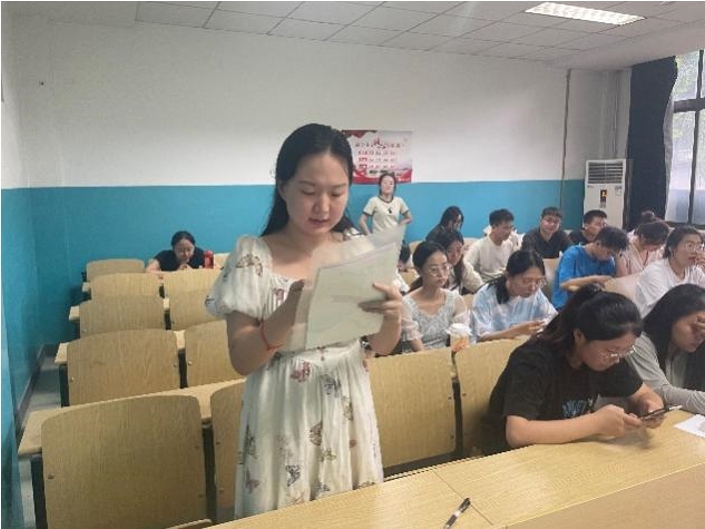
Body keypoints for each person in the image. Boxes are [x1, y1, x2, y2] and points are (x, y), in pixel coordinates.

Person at [205, 124, 403, 518]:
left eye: (337, 193)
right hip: (281, 411)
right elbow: (242, 359)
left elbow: (380, 346)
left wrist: (393, 317)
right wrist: (289, 309)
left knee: (351, 515)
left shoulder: (358, 250)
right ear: (282, 187)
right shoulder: (253, 256)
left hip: (347, 405)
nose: (323, 206)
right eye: (309, 191)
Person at [480, 285, 665, 456]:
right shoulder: (533, 360)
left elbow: (644, 394)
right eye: (612, 350)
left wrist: (651, 407)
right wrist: (596, 423)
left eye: (626, 350)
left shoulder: (606, 359)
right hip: (507, 459)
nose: (617, 358)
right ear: (579, 335)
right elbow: (517, 433)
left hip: (563, 451)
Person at [627, 284, 705, 414]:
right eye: (695, 327)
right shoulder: (637, 343)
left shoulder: (690, 348)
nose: (701, 335)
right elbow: (660, 392)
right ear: (671, 317)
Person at [471, 250, 557, 342]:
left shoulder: (535, 293)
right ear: (508, 276)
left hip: (524, 347)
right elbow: (481, 338)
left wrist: (542, 325)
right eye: (526, 281)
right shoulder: (485, 296)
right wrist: (515, 332)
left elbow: (553, 318)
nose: (533, 288)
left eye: (538, 281)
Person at [401, 241, 469, 351]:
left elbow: (461, 342)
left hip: (446, 356)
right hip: (416, 358)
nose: (441, 274)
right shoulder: (406, 304)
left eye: (445, 267)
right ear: (419, 270)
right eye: (434, 269)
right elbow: (419, 351)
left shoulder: (455, 300)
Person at [552, 226, 629, 310]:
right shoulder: (572, 254)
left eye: (613, 255)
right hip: (566, 306)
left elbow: (619, 282)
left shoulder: (606, 260)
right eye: (609, 253)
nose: (610, 257)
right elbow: (564, 284)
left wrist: (617, 257)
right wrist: (595, 279)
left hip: (591, 305)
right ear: (598, 243)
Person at [635, 225, 705, 317]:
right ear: (672, 248)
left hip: (686, 320)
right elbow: (668, 309)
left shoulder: (695, 271)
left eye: (699, 247)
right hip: (655, 322)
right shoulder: (654, 272)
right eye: (690, 246)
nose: (695, 251)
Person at [465, 209, 519, 282]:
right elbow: (465, 268)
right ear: (494, 227)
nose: (509, 232)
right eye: (505, 228)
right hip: (486, 283)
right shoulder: (478, 246)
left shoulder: (509, 244)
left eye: (511, 227)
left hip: (504, 282)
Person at [431, 228, 483, 294]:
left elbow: (479, 287)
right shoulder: (432, 270)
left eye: (459, 250)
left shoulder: (463, 267)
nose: (455, 255)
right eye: (449, 251)